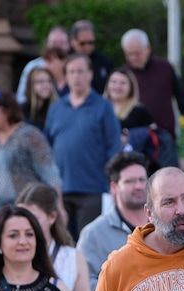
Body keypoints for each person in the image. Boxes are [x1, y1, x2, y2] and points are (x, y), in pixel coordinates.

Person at [43, 53, 121, 240]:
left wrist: (110, 180)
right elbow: (46, 150)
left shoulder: (103, 107)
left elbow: (114, 147)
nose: (76, 76)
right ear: (66, 76)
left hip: (92, 189)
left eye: (80, 71)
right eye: (71, 72)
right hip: (60, 192)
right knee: (61, 245)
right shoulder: (56, 108)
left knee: (87, 245)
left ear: (90, 75)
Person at [0, 90, 62, 239]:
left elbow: (49, 171)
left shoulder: (29, 135)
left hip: (19, 210)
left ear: (6, 112)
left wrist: (59, 205)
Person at [77, 151, 149, 291]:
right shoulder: (93, 234)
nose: (139, 186)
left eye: (142, 179)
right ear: (114, 187)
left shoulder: (163, 226)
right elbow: (84, 283)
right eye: (130, 181)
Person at [121, 29, 184, 144]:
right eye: (129, 54)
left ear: (148, 49)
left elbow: (181, 96)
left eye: (137, 53)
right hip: (136, 138)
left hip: (165, 135)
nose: (133, 58)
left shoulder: (165, 68)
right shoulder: (124, 75)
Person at [16, 26, 71, 104]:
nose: (57, 46)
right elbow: (21, 98)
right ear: (47, 44)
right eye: (54, 42)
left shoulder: (75, 67)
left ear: (68, 45)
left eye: (61, 43)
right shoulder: (33, 67)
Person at [103, 67, 155, 131]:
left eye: (123, 83)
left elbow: (154, 136)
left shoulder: (140, 112)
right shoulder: (97, 109)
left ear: (131, 88)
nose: (117, 86)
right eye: (114, 82)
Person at [69, 20, 113, 94]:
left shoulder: (104, 61)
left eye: (91, 43)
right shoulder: (66, 61)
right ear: (73, 41)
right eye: (82, 43)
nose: (87, 47)